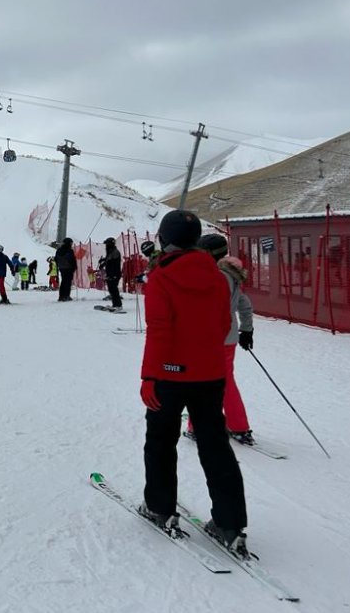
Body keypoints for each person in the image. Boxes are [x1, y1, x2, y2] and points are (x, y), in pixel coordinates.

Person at [138, 209, 249, 557]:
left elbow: (158, 331)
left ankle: (160, 507)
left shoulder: (161, 276)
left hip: (170, 375)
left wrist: (150, 376)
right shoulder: (217, 277)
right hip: (210, 375)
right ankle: (230, 524)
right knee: (216, 446)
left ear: (164, 239)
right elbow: (221, 326)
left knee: (160, 441)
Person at [186, 234, 256, 444]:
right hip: (226, 338)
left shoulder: (217, 276)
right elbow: (243, 304)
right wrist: (246, 329)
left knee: (206, 383)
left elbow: (209, 308)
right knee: (221, 382)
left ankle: (210, 426)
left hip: (213, 339)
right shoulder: (229, 274)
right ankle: (235, 425)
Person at [102, 237, 123, 309]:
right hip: (111, 273)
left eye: (107, 244)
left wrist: (105, 262)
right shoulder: (110, 251)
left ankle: (118, 305)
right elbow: (108, 259)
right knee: (111, 289)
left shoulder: (115, 252)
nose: (106, 245)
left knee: (113, 289)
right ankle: (115, 304)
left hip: (114, 274)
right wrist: (103, 261)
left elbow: (112, 262)